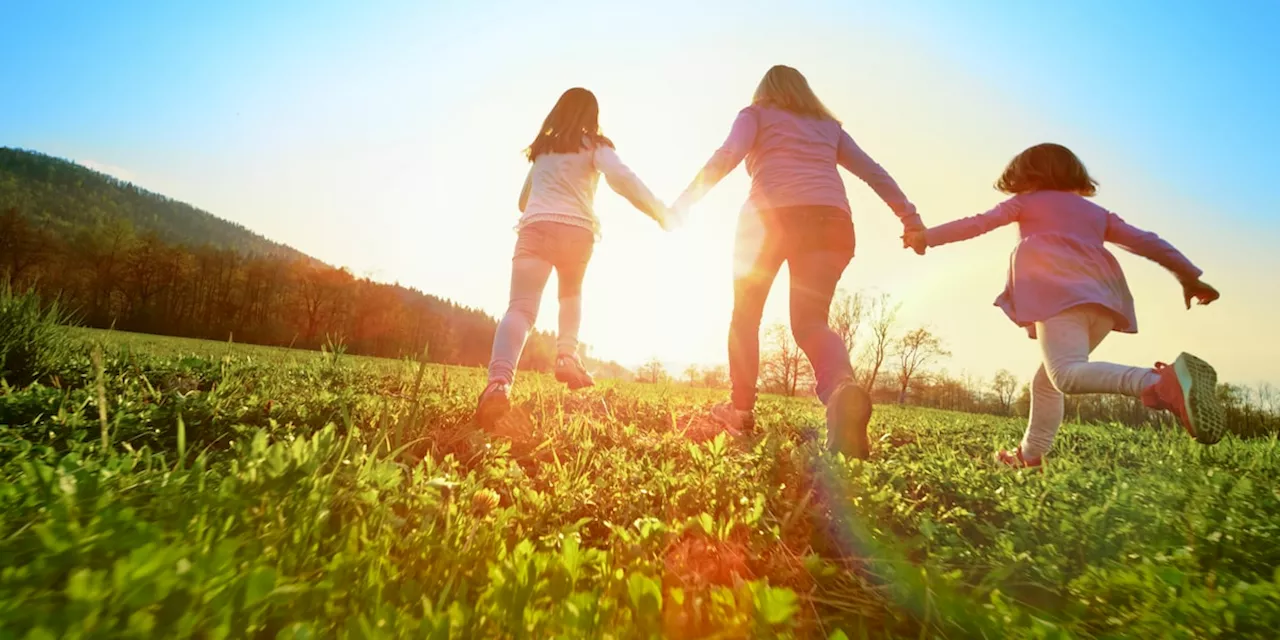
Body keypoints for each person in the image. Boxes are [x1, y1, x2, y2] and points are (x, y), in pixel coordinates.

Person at [903, 143, 1223, 468]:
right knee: (1046, 382)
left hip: (1059, 296)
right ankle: (1030, 456)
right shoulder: (1097, 214)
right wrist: (1189, 278)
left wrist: (926, 237)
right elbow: (1148, 242)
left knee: (1066, 376)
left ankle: (1158, 383)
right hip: (1104, 303)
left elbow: (977, 223)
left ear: (1025, 175)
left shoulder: (1025, 203)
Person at [669, 65, 924, 459]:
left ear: (764, 90)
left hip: (766, 221)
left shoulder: (755, 114)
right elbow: (873, 172)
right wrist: (910, 218)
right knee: (810, 323)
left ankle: (740, 410)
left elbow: (728, 154)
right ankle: (842, 389)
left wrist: (686, 200)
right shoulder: (827, 126)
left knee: (745, 317)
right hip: (830, 223)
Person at [476, 87, 671, 428]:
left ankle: (499, 384)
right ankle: (567, 355)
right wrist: (658, 211)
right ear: (591, 116)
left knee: (520, 309)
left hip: (536, 228)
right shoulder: (596, 146)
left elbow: (523, 201)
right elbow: (622, 178)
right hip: (577, 232)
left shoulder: (543, 151)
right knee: (570, 295)